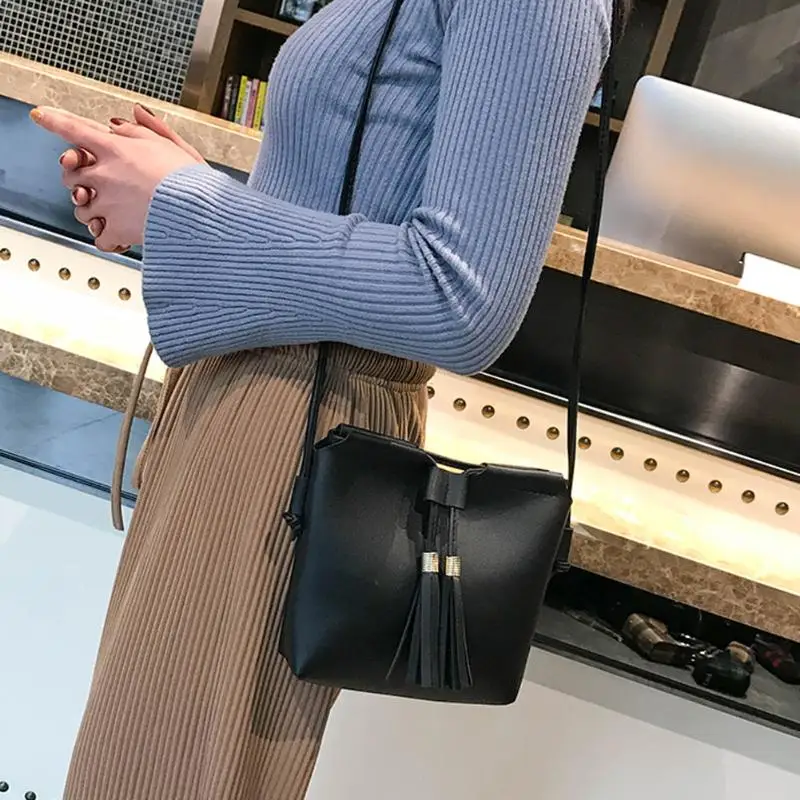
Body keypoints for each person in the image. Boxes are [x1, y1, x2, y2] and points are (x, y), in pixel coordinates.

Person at [31, 0, 627, 796]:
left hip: (294, 423)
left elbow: (460, 302)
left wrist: (187, 205)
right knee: (140, 762)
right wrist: (183, 193)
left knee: (164, 775)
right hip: (260, 400)